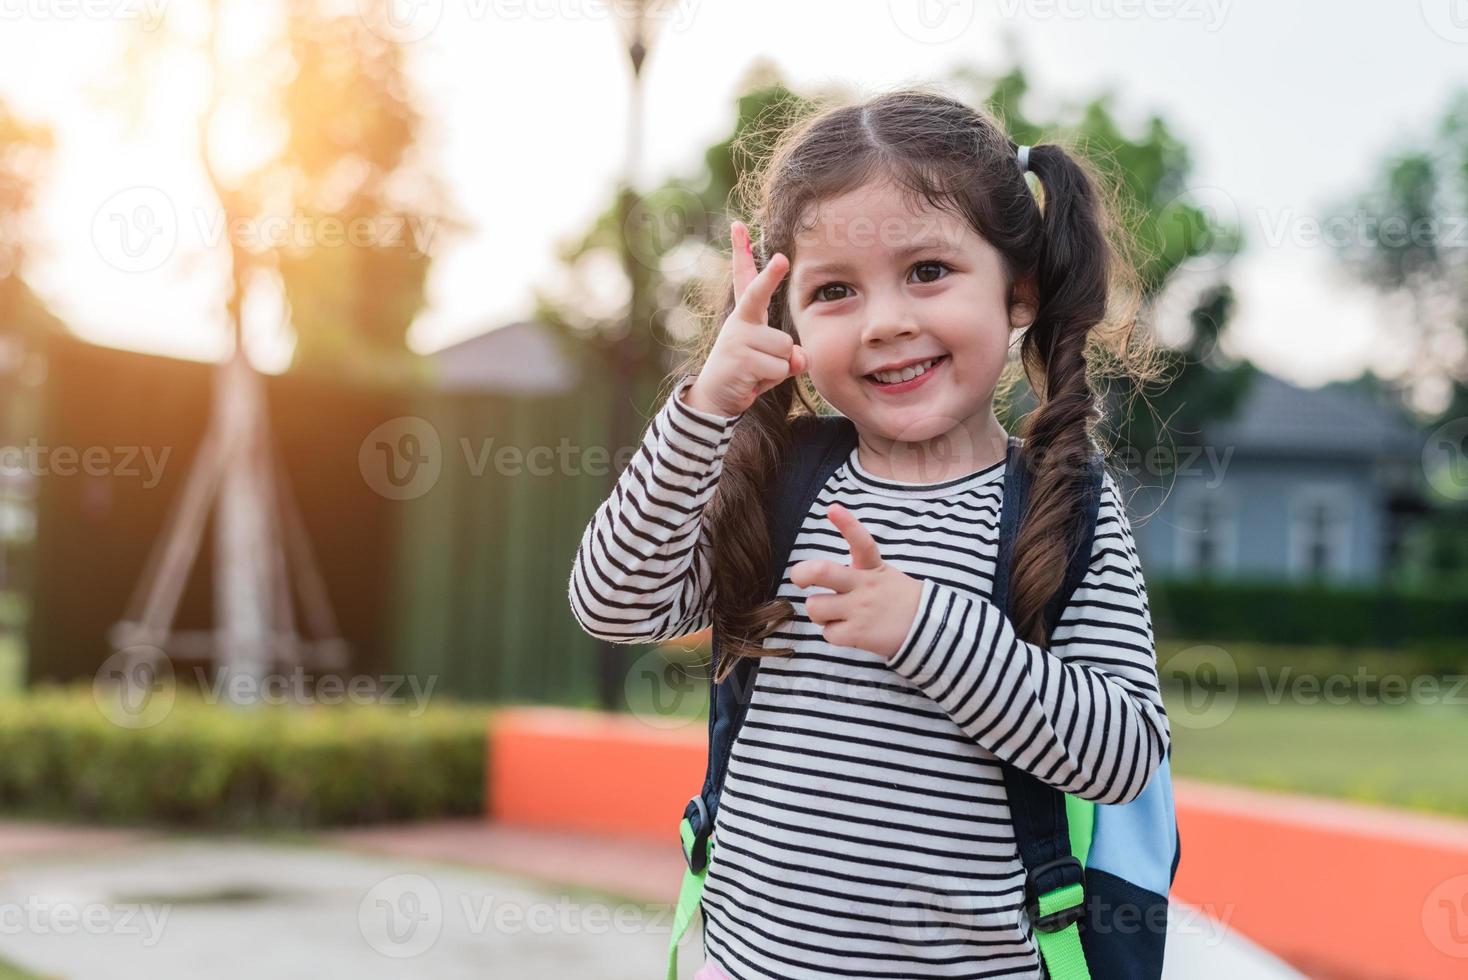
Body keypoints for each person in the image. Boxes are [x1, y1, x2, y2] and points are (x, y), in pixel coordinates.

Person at [568, 86, 1171, 980]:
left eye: (928, 271)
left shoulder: (1062, 503)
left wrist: (925, 630)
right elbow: (613, 602)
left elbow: (1121, 753)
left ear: (1021, 290)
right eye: (836, 290)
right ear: (790, 320)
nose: (886, 321)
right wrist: (704, 408)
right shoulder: (779, 478)